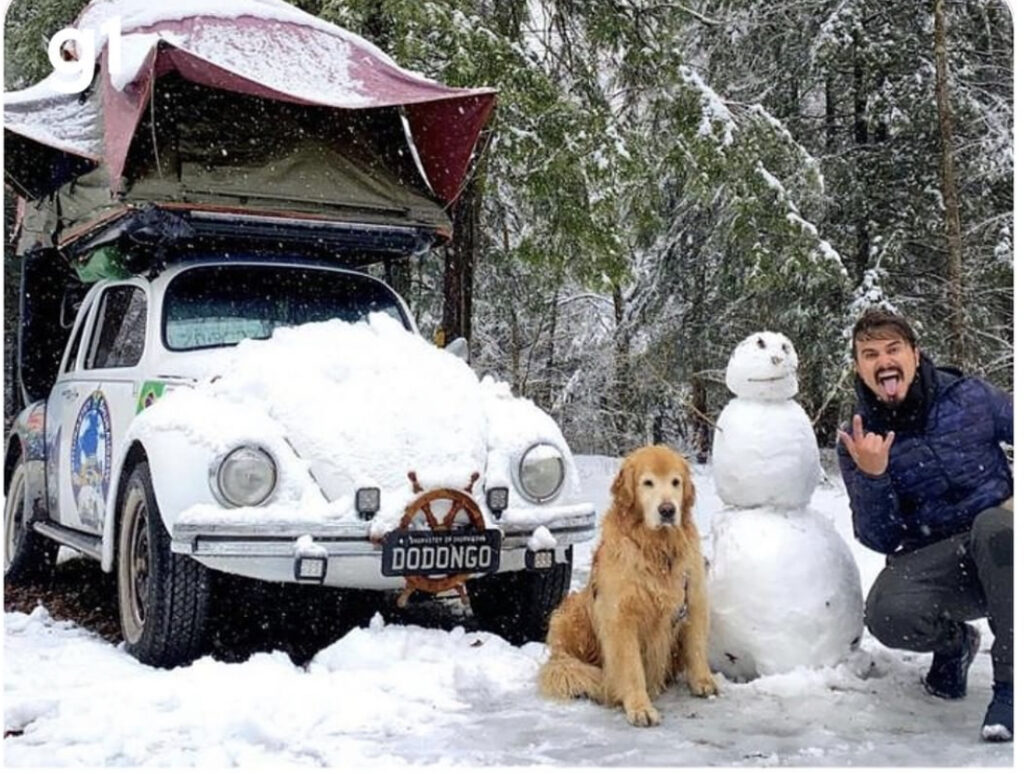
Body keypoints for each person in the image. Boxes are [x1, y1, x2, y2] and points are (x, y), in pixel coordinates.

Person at [837, 308, 1013, 742]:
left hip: (1007, 546)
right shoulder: (858, 437)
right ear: (859, 367)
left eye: (893, 349)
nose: (884, 361)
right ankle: (955, 646)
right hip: (939, 563)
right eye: (870, 354)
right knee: (886, 614)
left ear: (916, 354)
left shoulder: (969, 397)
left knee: (995, 526)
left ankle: (1011, 689)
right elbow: (879, 538)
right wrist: (873, 476)